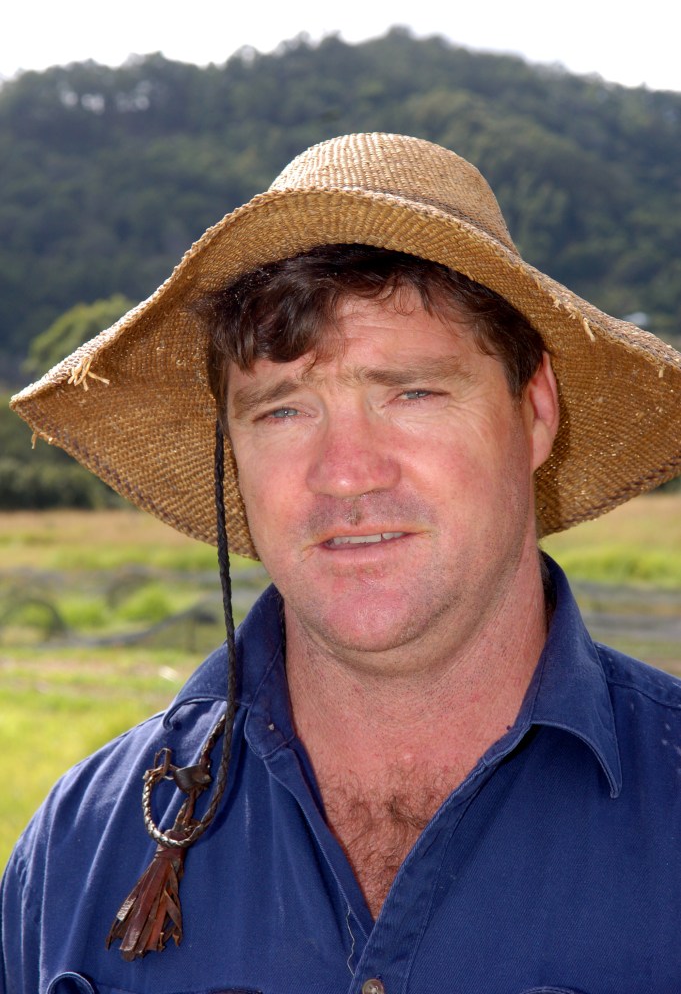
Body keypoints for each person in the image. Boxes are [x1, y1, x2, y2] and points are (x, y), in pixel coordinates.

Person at [3, 132, 681, 994]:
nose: (345, 472)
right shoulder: (77, 850)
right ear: (232, 455)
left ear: (535, 412)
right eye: (282, 411)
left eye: (410, 393)